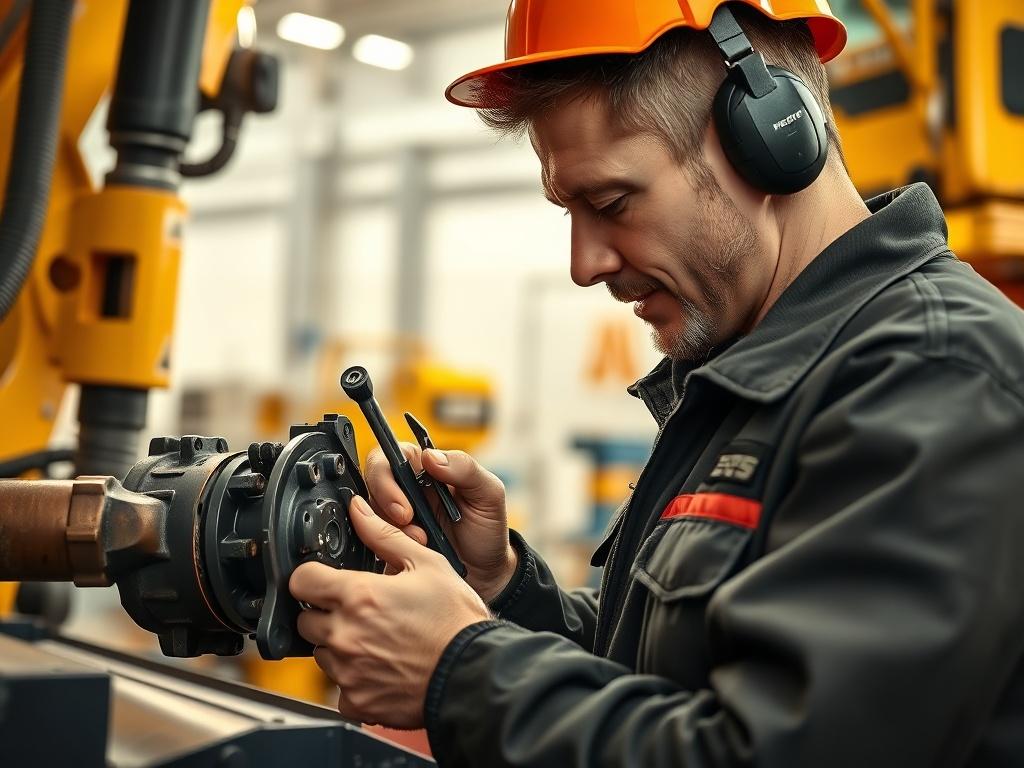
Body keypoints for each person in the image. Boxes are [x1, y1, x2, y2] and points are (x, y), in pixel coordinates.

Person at [289, 1, 1024, 765]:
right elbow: (668, 676)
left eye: (611, 203)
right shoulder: (758, 377)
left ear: (769, 137)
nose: (586, 264)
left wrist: (460, 669)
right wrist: (503, 591)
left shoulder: (934, 377)